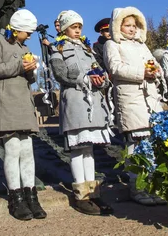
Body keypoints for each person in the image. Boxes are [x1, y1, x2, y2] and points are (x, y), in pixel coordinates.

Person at [0, 9, 46, 221]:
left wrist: (31, 71)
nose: (29, 36)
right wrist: (20, 65)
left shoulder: (24, 46)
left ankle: (31, 195)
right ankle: (15, 197)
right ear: (16, 28)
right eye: (27, 31)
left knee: (27, 150)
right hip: (5, 102)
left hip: (21, 102)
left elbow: (29, 79)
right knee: (13, 148)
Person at [49, 11, 113, 216]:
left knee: (89, 150)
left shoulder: (87, 48)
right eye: (73, 27)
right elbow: (61, 74)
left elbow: (100, 71)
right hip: (75, 101)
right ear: (65, 28)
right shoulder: (57, 48)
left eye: (79, 27)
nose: (77, 31)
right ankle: (81, 195)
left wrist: (100, 80)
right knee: (78, 148)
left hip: (93, 102)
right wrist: (85, 79)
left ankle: (93, 193)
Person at [103, 6, 165, 206]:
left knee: (152, 144)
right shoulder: (112, 44)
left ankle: (153, 186)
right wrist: (142, 73)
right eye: (127, 25)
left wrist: (156, 70)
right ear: (117, 26)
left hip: (150, 99)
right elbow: (115, 68)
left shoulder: (141, 45)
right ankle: (137, 186)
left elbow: (155, 65)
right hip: (130, 98)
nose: (131, 29)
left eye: (134, 25)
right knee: (134, 144)